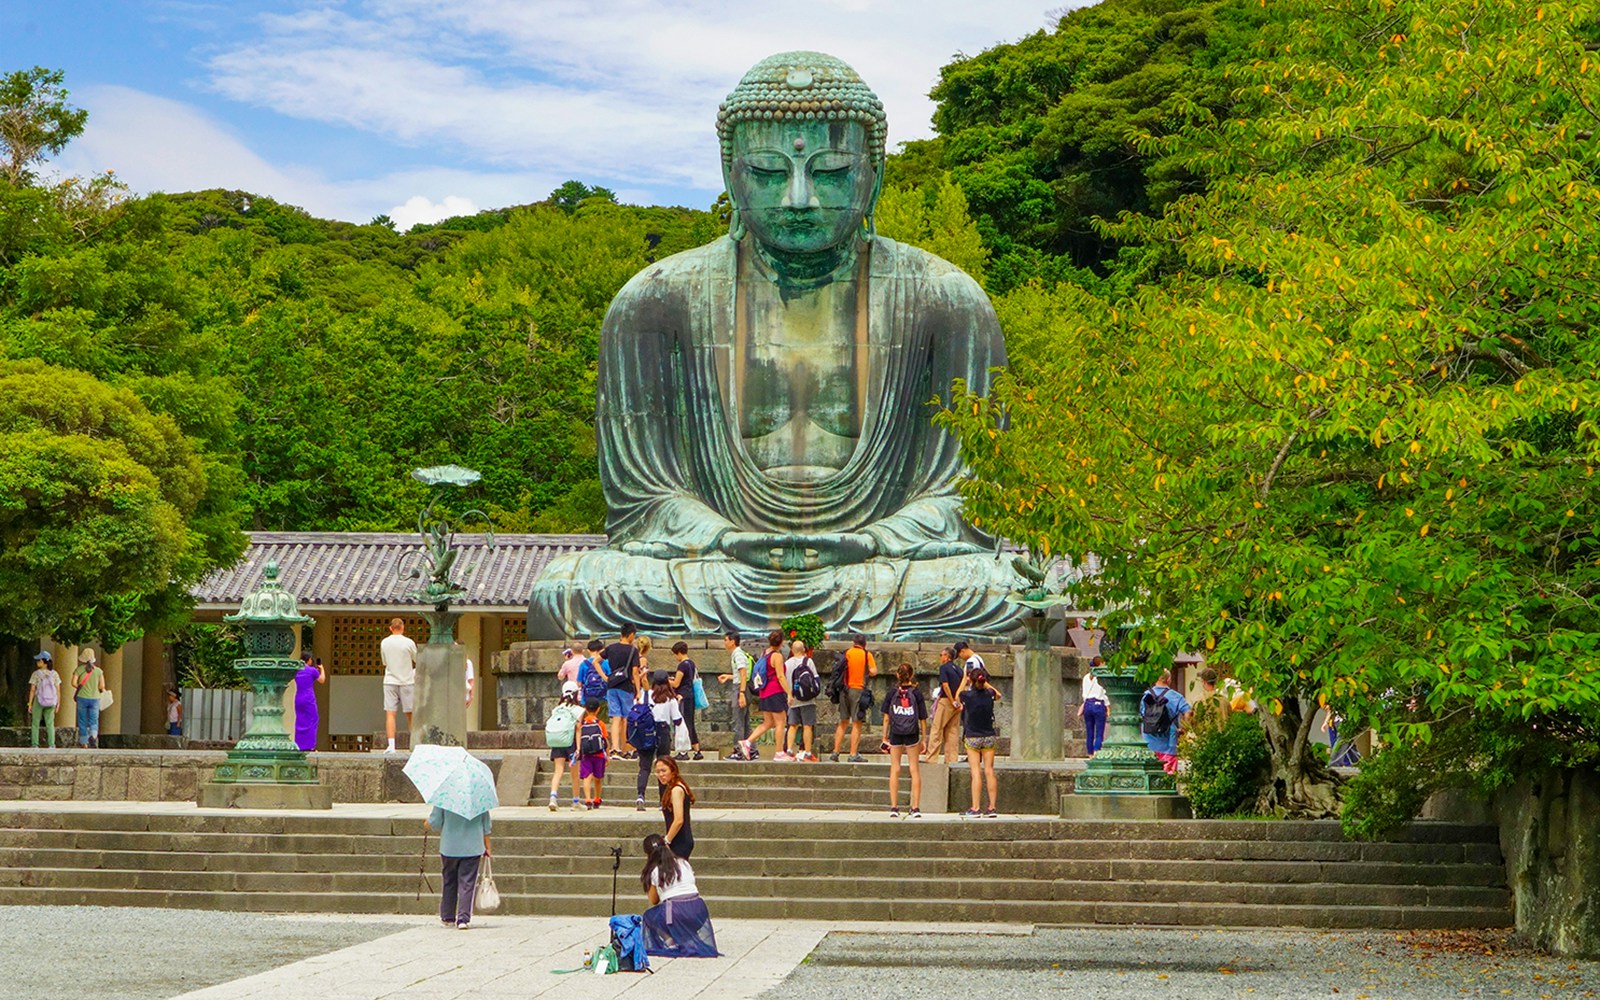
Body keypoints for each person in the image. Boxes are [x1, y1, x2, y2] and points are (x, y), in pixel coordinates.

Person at [524, 51, 1024, 642]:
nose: (798, 198)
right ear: (731, 174)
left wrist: (873, 540)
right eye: (767, 172)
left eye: (832, 171)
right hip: (721, 564)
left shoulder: (945, 300)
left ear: (874, 174)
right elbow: (643, 500)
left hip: (880, 563)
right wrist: (722, 537)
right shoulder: (655, 302)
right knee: (571, 589)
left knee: (1009, 589)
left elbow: (971, 496)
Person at [638, 833, 718, 958]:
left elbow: (654, 900)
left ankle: (671, 942)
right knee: (676, 911)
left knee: (649, 916)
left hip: (676, 913)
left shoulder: (655, 870)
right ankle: (686, 939)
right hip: (698, 911)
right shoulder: (683, 863)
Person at [425, 804, 492, 930]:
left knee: (449, 881)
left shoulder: (444, 798)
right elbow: (486, 827)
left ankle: (448, 916)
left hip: (449, 847)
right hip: (473, 847)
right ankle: (463, 918)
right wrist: (488, 847)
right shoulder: (479, 799)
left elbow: (435, 823)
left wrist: (426, 823)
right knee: (467, 883)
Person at [879, 662, 926, 817]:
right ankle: (915, 808)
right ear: (911, 676)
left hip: (896, 733)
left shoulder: (892, 693)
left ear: (897, 675)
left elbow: (886, 718)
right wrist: (924, 739)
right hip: (912, 733)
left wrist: (884, 737)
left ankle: (894, 807)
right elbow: (923, 718)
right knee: (914, 769)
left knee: (895, 768)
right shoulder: (917, 693)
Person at [957, 666, 1002, 817]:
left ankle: (976, 808)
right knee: (989, 771)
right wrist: (985, 682)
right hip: (989, 736)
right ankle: (992, 807)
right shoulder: (989, 693)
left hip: (973, 736)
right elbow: (998, 695)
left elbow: (957, 697)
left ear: (972, 680)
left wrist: (965, 679)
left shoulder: (967, 696)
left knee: (976, 772)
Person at [739, 630, 789, 761]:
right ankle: (779, 752)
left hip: (764, 692)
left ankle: (747, 742)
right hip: (775, 691)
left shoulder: (764, 653)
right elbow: (780, 676)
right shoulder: (777, 656)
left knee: (767, 722)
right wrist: (789, 693)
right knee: (780, 722)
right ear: (782, 642)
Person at [636, 671, 683, 811]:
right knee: (663, 766)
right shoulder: (670, 699)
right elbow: (677, 720)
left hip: (646, 732)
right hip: (662, 731)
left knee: (644, 766)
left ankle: (640, 795)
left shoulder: (648, 695)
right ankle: (662, 800)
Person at [829, 634, 877, 762]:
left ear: (853, 643)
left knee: (843, 722)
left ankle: (835, 752)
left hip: (844, 689)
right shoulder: (867, 655)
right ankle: (853, 754)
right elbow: (873, 671)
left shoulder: (847, 653)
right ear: (864, 644)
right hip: (858, 690)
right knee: (857, 723)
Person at [602, 625, 642, 759]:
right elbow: (635, 672)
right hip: (626, 687)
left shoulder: (611, 648)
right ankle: (625, 748)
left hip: (612, 686)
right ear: (630, 634)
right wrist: (638, 690)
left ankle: (615, 748)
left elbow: (596, 661)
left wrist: (605, 677)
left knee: (615, 718)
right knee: (626, 718)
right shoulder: (633, 650)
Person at [1140, 671, 1191, 774]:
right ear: (1168, 680)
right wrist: (1184, 728)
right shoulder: (1176, 696)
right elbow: (1188, 712)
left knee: (1149, 773)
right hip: (1169, 740)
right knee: (1169, 775)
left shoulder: (1145, 695)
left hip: (1148, 738)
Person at [380, 618, 417, 754]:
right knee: (411, 714)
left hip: (390, 680)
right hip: (407, 680)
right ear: (402, 627)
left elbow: (384, 662)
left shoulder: (384, 642)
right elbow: (417, 659)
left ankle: (391, 745)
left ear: (391, 628)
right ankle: (413, 744)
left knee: (390, 713)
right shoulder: (408, 643)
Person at [546, 681, 585, 810]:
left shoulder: (556, 709)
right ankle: (575, 801)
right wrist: (579, 748)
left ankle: (553, 798)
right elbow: (578, 728)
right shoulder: (579, 710)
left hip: (557, 741)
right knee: (574, 773)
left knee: (558, 771)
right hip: (571, 742)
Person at [923, 646, 963, 764]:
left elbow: (945, 685)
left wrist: (951, 700)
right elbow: (963, 686)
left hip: (946, 701)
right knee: (952, 732)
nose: (941, 657)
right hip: (957, 702)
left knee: (937, 729)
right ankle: (952, 759)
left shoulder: (944, 668)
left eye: (941, 655)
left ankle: (931, 758)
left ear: (947, 656)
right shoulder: (959, 670)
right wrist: (958, 701)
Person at [784, 640, 820, 762]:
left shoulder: (787, 663)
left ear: (792, 651)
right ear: (804, 649)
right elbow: (816, 679)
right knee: (807, 726)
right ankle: (807, 753)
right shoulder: (808, 661)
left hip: (793, 699)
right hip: (808, 700)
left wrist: (789, 694)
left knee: (792, 725)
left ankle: (789, 750)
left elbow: (783, 680)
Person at [717, 631, 753, 750]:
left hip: (740, 688)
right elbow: (741, 674)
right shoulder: (737, 654)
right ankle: (751, 750)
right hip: (741, 686)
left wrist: (741, 693)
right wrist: (729, 677)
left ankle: (739, 750)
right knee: (745, 723)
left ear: (732, 642)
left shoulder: (738, 654)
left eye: (726, 640)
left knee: (738, 722)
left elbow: (743, 674)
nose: (724, 642)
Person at [654, 756, 696, 859]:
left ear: (672, 770)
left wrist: (667, 840)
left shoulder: (676, 790)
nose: (661, 775)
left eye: (664, 771)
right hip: (678, 839)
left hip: (680, 841)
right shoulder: (672, 787)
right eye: (658, 772)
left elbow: (678, 820)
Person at [668, 642, 703, 760]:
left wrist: (666, 680)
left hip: (682, 696)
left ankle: (683, 751)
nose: (675, 657)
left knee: (682, 724)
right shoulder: (691, 664)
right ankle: (697, 750)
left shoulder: (682, 665)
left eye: (675, 654)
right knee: (690, 722)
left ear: (678, 653)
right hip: (691, 695)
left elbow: (676, 683)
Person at [578, 699, 609, 809]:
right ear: (598, 709)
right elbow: (605, 741)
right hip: (599, 754)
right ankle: (597, 798)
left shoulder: (582, 724)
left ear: (585, 709)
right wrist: (607, 756)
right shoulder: (601, 724)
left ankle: (587, 799)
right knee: (598, 778)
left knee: (587, 777)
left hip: (586, 755)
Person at [71, 650, 105, 749]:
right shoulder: (98, 671)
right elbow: (102, 685)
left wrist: (81, 687)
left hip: (82, 697)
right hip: (95, 698)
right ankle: (93, 736)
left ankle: (84, 742)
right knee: (94, 720)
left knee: (82, 721)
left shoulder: (79, 670)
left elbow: (73, 683)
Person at [27, 651, 60, 749]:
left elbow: (32, 690)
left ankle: (35, 744)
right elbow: (58, 690)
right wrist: (58, 703)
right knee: (50, 723)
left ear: (43, 661)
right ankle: (51, 744)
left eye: (38, 660)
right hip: (51, 701)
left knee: (35, 723)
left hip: (39, 700)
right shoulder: (54, 674)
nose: (37, 662)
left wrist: (30, 704)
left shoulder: (36, 674)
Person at [1188, 666, 1231, 739]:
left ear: (1203, 682)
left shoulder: (1198, 700)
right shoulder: (1224, 700)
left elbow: (1194, 722)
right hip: (1223, 739)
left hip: (1205, 739)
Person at [1077, 656, 1109, 756]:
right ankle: (1096, 752)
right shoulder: (1101, 677)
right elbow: (1104, 693)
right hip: (1098, 704)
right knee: (1099, 732)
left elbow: (1084, 694)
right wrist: (1108, 707)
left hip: (1088, 704)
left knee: (1089, 731)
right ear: (1101, 664)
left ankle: (1090, 753)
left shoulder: (1086, 677)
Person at [292, 653, 324, 751]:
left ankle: (299, 744)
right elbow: (322, 680)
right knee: (312, 720)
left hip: (298, 697)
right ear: (309, 660)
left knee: (300, 720)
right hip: (308, 697)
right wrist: (321, 669)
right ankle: (309, 745)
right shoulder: (312, 670)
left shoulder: (296, 670)